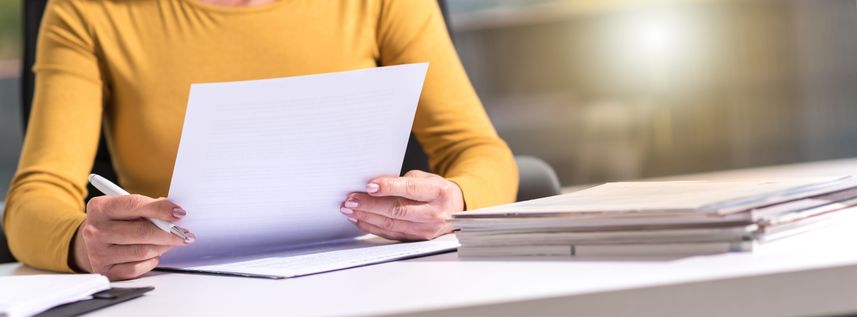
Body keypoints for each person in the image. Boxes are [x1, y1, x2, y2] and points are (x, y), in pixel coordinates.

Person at [3, 0, 518, 280]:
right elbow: (33, 201)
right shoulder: (88, 10)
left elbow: (479, 152)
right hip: (184, 301)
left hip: (368, 280)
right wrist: (83, 245)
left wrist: (456, 200)